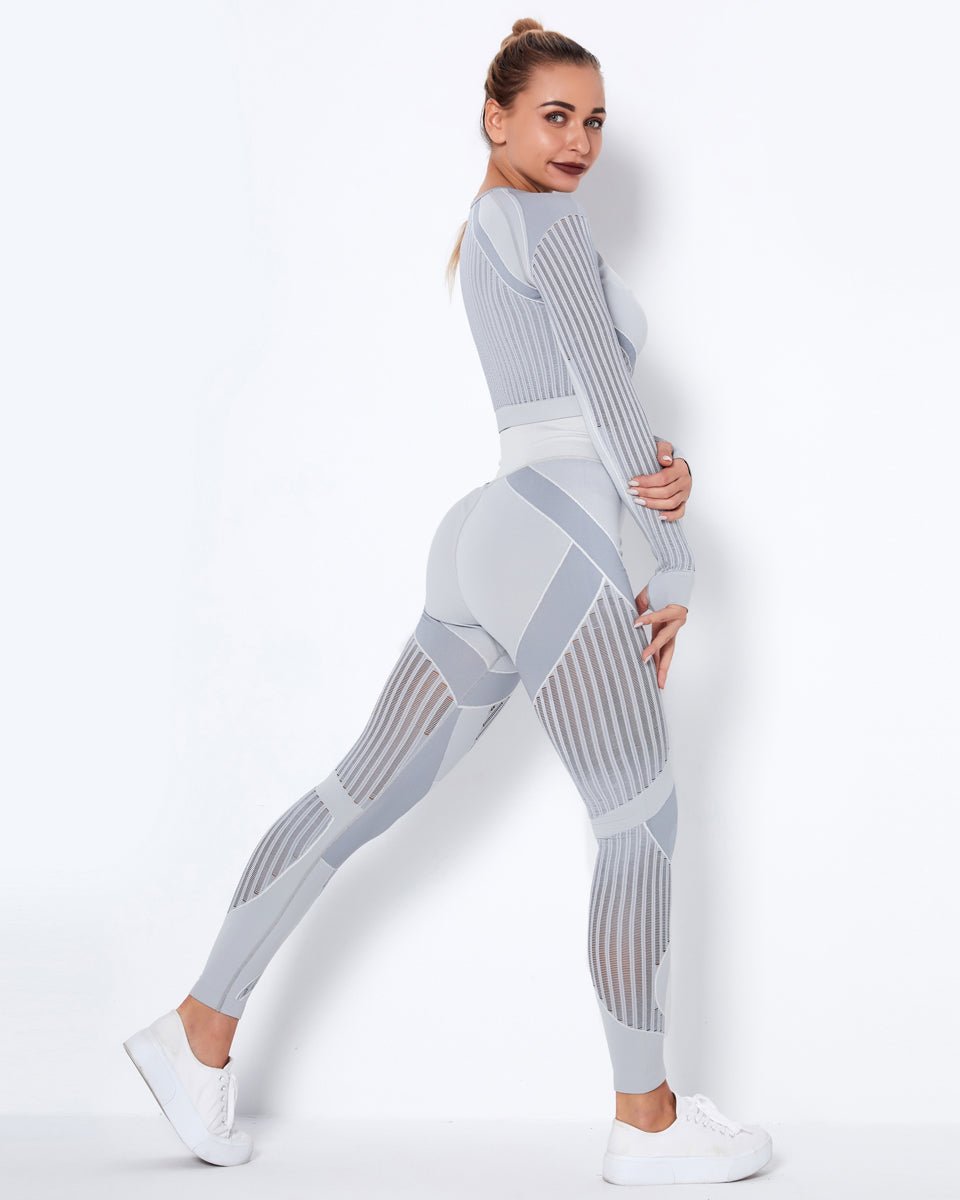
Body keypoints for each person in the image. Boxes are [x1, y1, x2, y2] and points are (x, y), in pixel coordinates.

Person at [122, 18, 773, 1187]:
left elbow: (574, 402)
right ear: (496, 116)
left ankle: (197, 1028)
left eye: (595, 122)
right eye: (554, 116)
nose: (578, 143)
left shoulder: (483, 230)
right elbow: (601, 390)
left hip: (490, 536)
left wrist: (656, 460)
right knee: (638, 819)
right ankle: (648, 1123)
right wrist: (671, 555)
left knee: (357, 792)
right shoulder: (548, 223)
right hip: (561, 537)